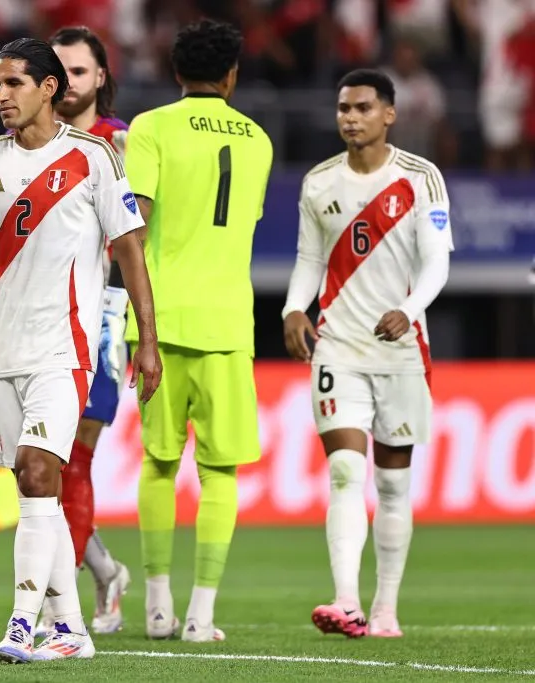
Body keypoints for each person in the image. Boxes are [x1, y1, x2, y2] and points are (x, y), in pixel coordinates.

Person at [0, 37, 162, 663]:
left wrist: (145, 341)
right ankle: (70, 628)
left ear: (49, 88)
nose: (1, 95)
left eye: (14, 83)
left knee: (43, 472)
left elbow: (130, 250)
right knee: (29, 486)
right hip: (3, 350)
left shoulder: (95, 157)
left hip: (65, 347)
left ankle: (22, 621)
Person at [283, 68, 453, 639]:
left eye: (361, 108)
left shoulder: (420, 178)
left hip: (402, 349)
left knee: (393, 485)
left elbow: (436, 261)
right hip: (338, 348)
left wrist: (411, 307)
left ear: (389, 114)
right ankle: (347, 601)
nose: (349, 118)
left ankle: (385, 608)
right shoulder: (319, 182)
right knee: (344, 470)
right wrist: (293, 308)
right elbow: (309, 259)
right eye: (342, 109)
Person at [123, 19, 274, 642]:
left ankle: (156, 607)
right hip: (228, 323)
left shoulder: (151, 127)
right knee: (220, 474)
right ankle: (201, 616)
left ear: (175, 71)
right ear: (232, 75)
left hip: (158, 319)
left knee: (159, 463)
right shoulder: (260, 140)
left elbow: (136, 226)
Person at [32, 25, 133, 638]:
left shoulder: (118, 142)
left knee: (72, 459)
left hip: (98, 312)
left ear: (100, 79)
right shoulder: (28, 142)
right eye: (59, 71)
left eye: (79, 71)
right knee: (38, 462)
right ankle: (104, 570)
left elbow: (132, 235)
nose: (69, 81)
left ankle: (55, 608)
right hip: (34, 313)